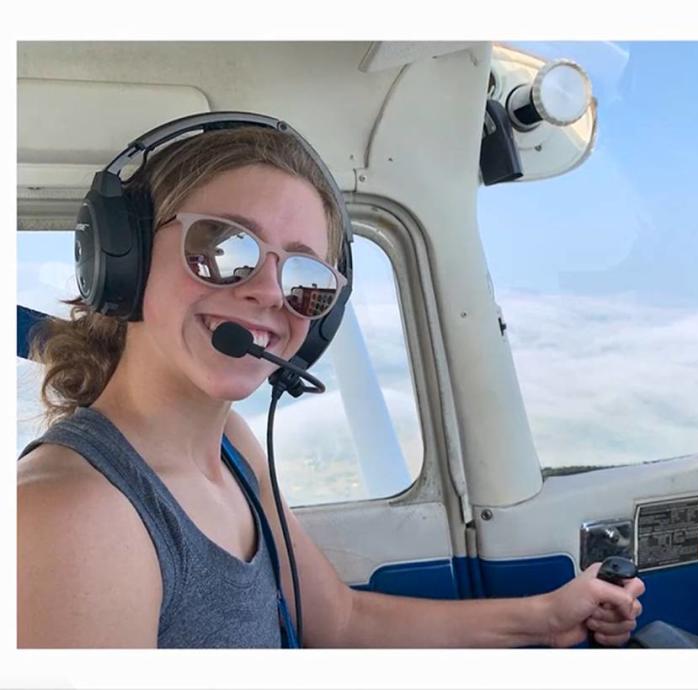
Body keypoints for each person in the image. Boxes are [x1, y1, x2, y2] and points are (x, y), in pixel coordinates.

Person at [17, 118, 645, 648]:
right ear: (122, 260)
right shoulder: (74, 516)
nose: (268, 291)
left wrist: (548, 617)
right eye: (224, 246)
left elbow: (339, 621)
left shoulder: (231, 447)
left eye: (304, 276)